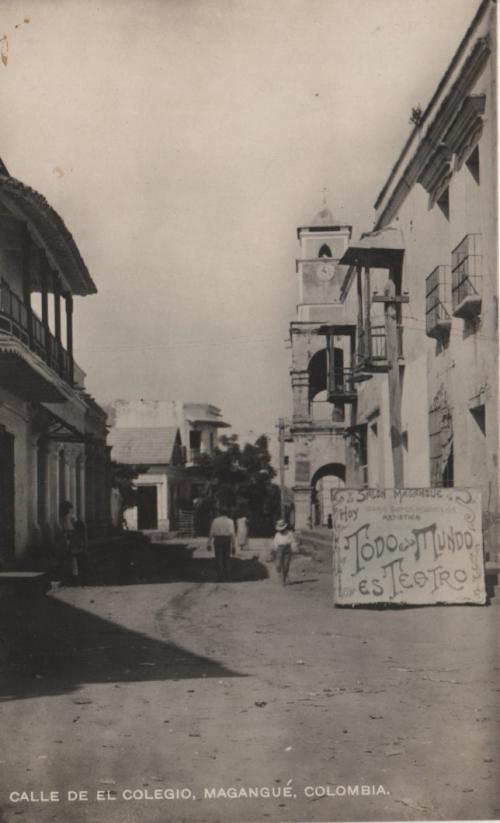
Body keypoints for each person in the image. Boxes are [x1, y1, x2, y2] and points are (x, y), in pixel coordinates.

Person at [207, 508, 236, 581]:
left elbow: (211, 532)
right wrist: (233, 546)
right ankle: (227, 576)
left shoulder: (215, 521)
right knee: (226, 558)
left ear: (219, 513)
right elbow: (232, 534)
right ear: (227, 513)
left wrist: (209, 543)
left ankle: (220, 576)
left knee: (219, 559)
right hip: (227, 540)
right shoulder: (230, 521)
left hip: (218, 540)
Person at [272, 519, 297, 585]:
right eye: (280, 529)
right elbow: (275, 542)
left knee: (286, 565)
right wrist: (275, 549)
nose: (281, 530)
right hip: (279, 549)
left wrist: (294, 549)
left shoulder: (289, 533)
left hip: (287, 549)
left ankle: (284, 579)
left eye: (282, 529)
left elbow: (293, 541)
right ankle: (280, 574)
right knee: (278, 565)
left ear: (285, 527)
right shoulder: (277, 534)